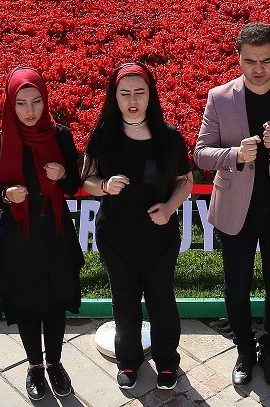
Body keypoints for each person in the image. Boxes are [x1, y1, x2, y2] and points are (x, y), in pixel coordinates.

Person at [194, 23, 270, 389]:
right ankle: (245, 351)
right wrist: (234, 154)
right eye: (250, 61)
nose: (259, 69)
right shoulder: (220, 97)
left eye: (266, 60)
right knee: (236, 286)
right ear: (239, 59)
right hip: (236, 210)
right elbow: (201, 153)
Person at [85, 63, 193, 392]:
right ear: (114, 97)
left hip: (159, 236)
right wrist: (104, 185)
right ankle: (128, 360)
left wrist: (170, 208)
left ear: (151, 95)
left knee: (162, 301)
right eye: (125, 93)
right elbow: (86, 179)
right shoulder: (104, 135)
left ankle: (166, 362)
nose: (133, 100)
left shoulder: (168, 136)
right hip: (117, 237)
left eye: (140, 92)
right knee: (125, 300)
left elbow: (185, 182)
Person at [0, 68, 83, 402]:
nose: (30, 110)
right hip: (20, 237)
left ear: (45, 100)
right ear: (10, 105)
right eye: (21, 103)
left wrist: (64, 173)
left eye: (36, 101)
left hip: (55, 233)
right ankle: (34, 366)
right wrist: (6, 194)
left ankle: (55, 363)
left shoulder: (61, 136)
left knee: (56, 302)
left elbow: (74, 186)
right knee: (27, 304)